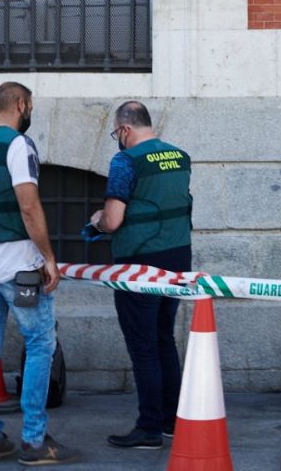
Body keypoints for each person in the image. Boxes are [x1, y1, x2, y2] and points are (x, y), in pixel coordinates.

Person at [0, 82, 78, 466]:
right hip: (19, 267)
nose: (30, 113)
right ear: (21, 105)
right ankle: (34, 440)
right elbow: (28, 206)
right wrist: (49, 258)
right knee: (40, 342)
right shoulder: (18, 145)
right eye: (31, 107)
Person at [89, 100, 193, 451]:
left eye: (115, 134)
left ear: (124, 129)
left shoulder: (126, 161)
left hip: (139, 264)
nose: (117, 140)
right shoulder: (180, 156)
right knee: (164, 339)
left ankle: (149, 428)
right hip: (177, 259)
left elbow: (113, 220)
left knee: (144, 346)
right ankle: (171, 421)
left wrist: (97, 222)